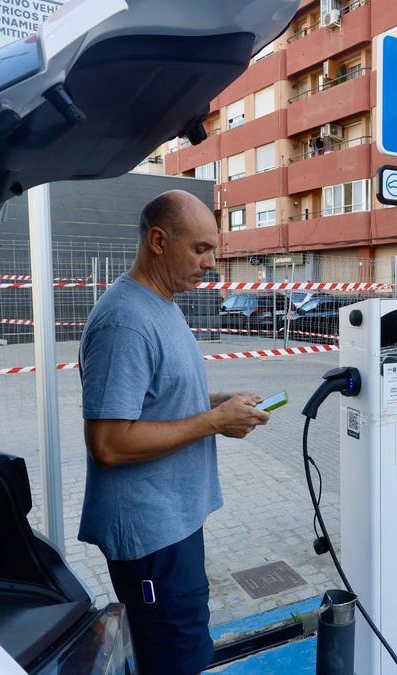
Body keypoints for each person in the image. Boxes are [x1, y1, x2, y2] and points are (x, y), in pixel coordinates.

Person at [78, 190, 270, 674]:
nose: (212, 263)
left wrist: (220, 403)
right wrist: (211, 422)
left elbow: (156, 400)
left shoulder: (163, 303)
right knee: (176, 659)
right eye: (201, 249)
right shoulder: (126, 321)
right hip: (149, 536)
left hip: (172, 523)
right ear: (159, 240)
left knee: (181, 648)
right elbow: (109, 443)